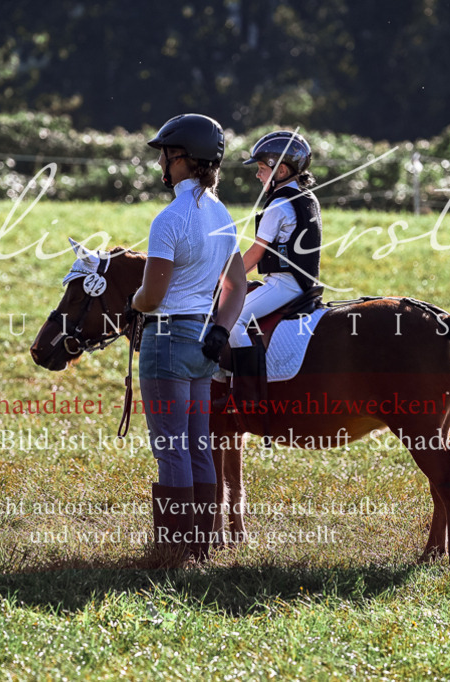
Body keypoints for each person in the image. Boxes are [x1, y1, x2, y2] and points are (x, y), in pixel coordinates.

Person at [129, 113, 246, 563]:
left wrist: (133, 302)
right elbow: (235, 286)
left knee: (170, 446)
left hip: (166, 341)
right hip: (203, 340)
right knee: (198, 445)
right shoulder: (222, 215)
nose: (161, 161)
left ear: (181, 160)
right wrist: (221, 327)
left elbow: (153, 293)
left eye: (164, 153)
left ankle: (172, 550)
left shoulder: (169, 218)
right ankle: (199, 547)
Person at [227, 131, 322, 404]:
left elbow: (256, 253)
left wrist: (226, 279)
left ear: (280, 170)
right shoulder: (306, 198)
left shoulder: (278, 205)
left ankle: (248, 392)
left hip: (284, 284)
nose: (257, 175)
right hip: (303, 283)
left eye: (261, 169)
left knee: (233, 320)